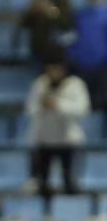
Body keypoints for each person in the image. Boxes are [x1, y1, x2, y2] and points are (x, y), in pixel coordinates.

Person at [25, 51, 91, 197]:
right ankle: (43, 214)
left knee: (69, 181)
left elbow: (82, 109)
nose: (53, 73)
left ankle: (70, 212)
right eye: (50, 69)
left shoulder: (75, 85)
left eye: (56, 69)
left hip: (67, 139)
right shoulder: (40, 84)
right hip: (44, 139)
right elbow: (30, 108)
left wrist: (58, 105)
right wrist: (42, 105)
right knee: (42, 182)